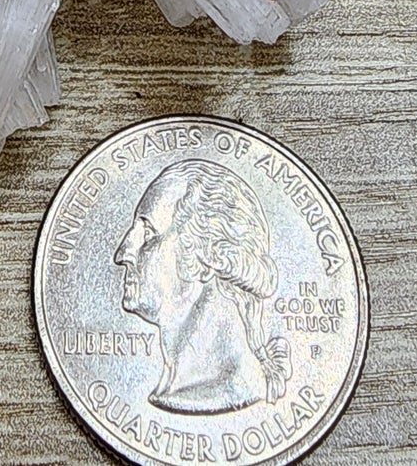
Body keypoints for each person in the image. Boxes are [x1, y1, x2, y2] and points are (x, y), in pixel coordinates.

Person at [113, 159, 292, 414]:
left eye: (149, 233)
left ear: (206, 257)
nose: (123, 254)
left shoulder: (234, 389)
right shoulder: (176, 391)